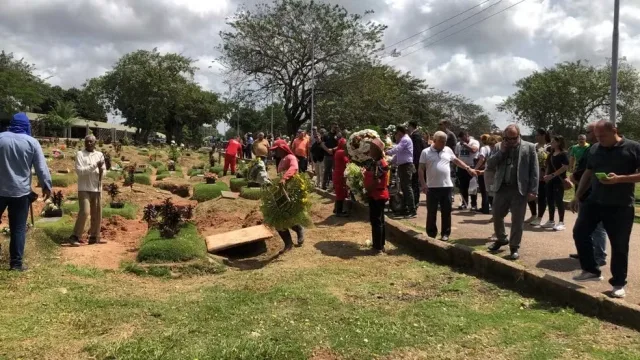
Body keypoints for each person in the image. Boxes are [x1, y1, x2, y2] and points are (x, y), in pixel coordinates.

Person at [570, 120, 640, 298]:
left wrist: (620, 179)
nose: (599, 139)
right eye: (596, 136)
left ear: (614, 131)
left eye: (602, 136)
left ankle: (618, 283)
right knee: (580, 232)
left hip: (620, 205)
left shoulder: (633, 147)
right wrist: (577, 195)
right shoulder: (594, 149)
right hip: (595, 201)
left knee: (619, 246)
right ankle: (591, 270)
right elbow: (588, 172)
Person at [0, 113, 52, 271]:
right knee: (18, 228)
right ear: (26, 126)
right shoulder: (32, 142)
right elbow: (41, 167)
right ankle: (16, 264)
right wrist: (46, 185)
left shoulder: (1, 138)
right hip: (20, 193)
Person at [486, 124, 539, 260]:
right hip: (502, 187)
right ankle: (502, 238)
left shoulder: (529, 147)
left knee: (517, 220)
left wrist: (533, 190)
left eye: (513, 138)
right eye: (507, 138)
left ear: (519, 135)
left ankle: (514, 247)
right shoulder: (499, 146)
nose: (510, 141)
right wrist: (502, 152)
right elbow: (490, 165)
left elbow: (534, 171)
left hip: (519, 189)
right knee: (496, 214)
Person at [419, 131, 477, 241]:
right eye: (441, 141)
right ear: (434, 140)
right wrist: (423, 184)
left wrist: (468, 168)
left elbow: (456, 161)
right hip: (431, 187)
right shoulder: (425, 152)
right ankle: (431, 234)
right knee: (432, 212)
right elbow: (421, 169)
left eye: (445, 141)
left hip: (446, 187)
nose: (443, 143)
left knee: (446, 212)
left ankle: (445, 234)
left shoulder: (448, 150)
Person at [568, 122, 607, 266]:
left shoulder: (604, 150)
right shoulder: (590, 149)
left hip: (596, 194)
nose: (587, 135)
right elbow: (584, 168)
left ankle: (599, 256)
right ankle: (586, 252)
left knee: (597, 228)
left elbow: (591, 173)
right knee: (584, 228)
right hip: (585, 193)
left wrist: (576, 178)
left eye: (589, 132)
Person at [69, 135, 106, 246]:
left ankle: (94, 236)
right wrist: (94, 166)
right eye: (87, 141)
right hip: (84, 188)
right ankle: (75, 236)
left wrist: (100, 171)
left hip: (96, 188)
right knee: (85, 212)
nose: (89, 143)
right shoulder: (80, 154)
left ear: (95, 143)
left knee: (97, 213)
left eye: (91, 142)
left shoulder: (99, 155)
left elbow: (104, 172)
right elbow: (80, 171)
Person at [269, 140, 305, 253]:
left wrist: (284, 178)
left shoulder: (290, 157)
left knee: (282, 217)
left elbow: (294, 168)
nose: (275, 152)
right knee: (278, 218)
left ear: (282, 148)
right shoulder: (281, 160)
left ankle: (298, 229)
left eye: (276, 149)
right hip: (282, 191)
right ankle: (289, 242)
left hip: (289, 191)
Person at [364, 139, 390, 254]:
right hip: (379, 194)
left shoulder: (379, 163)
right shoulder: (379, 162)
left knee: (376, 221)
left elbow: (376, 180)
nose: (370, 150)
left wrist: (367, 189)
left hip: (377, 194)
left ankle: (377, 247)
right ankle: (380, 244)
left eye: (371, 148)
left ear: (376, 150)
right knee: (380, 220)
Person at [386, 125, 416, 218]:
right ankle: (406, 208)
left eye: (397, 133)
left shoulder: (405, 139)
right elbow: (398, 155)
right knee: (403, 188)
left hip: (406, 166)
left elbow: (397, 149)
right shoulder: (403, 140)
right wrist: (390, 161)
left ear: (400, 133)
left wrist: (387, 152)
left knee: (407, 187)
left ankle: (412, 209)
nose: (396, 136)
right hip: (402, 166)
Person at [541, 135, 569, 231]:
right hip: (549, 180)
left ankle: (561, 222)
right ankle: (551, 220)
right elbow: (548, 166)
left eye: (553, 141)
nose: (551, 143)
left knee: (558, 200)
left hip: (558, 181)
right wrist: (545, 175)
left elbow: (565, 167)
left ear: (559, 143)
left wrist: (552, 175)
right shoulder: (551, 154)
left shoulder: (563, 154)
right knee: (550, 200)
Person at [527, 129, 551, 226]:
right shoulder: (534, 146)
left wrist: (545, 171)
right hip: (533, 174)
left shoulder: (549, 147)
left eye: (538, 135)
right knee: (530, 194)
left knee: (541, 196)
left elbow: (551, 161)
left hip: (543, 175)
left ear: (544, 135)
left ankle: (540, 217)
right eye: (536, 135)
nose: (536, 137)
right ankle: (533, 214)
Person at [455, 131, 480, 210]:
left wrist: (465, 145)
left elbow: (474, 150)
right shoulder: (458, 144)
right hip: (462, 168)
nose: (462, 140)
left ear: (467, 135)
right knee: (463, 187)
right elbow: (456, 156)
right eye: (461, 138)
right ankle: (464, 203)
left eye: (463, 138)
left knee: (473, 187)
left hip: (472, 167)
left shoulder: (474, 142)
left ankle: (474, 205)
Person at [408, 121, 427, 210]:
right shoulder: (418, 134)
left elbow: (417, 151)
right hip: (418, 162)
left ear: (411, 126)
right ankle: (415, 202)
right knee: (414, 183)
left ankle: (415, 202)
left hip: (416, 162)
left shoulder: (415, 136)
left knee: (414, 183)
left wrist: (415, 163)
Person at [332, 138, 350, 216]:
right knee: (340, 193)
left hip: (339, 174)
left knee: (339, 192)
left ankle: (336, 209)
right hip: (340, 175)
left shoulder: (338, 151)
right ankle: (339, 212)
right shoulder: (341, 152)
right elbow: (347, 161)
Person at [474, 134, 492, 214]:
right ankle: (489, 207)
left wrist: (475, 169)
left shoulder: (483, 148)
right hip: (490, 170)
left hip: (483, 170)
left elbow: (482, 159)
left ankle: (485, 208)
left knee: (484, 190)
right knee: (489, 189)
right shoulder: (491, 148)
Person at [321, 123, 339, 190]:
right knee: (326, 170)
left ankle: (334, 186)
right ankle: (324, 185)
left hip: (335, 155)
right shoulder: (326, 135)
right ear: (331, 126)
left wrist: (333, 149)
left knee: (334, 171)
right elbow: (322, 144)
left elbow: (340, 144)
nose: (335, 128)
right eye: (334, 127)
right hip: (327, 155)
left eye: (336, 127)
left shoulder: (338, 135)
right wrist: (328, 150)